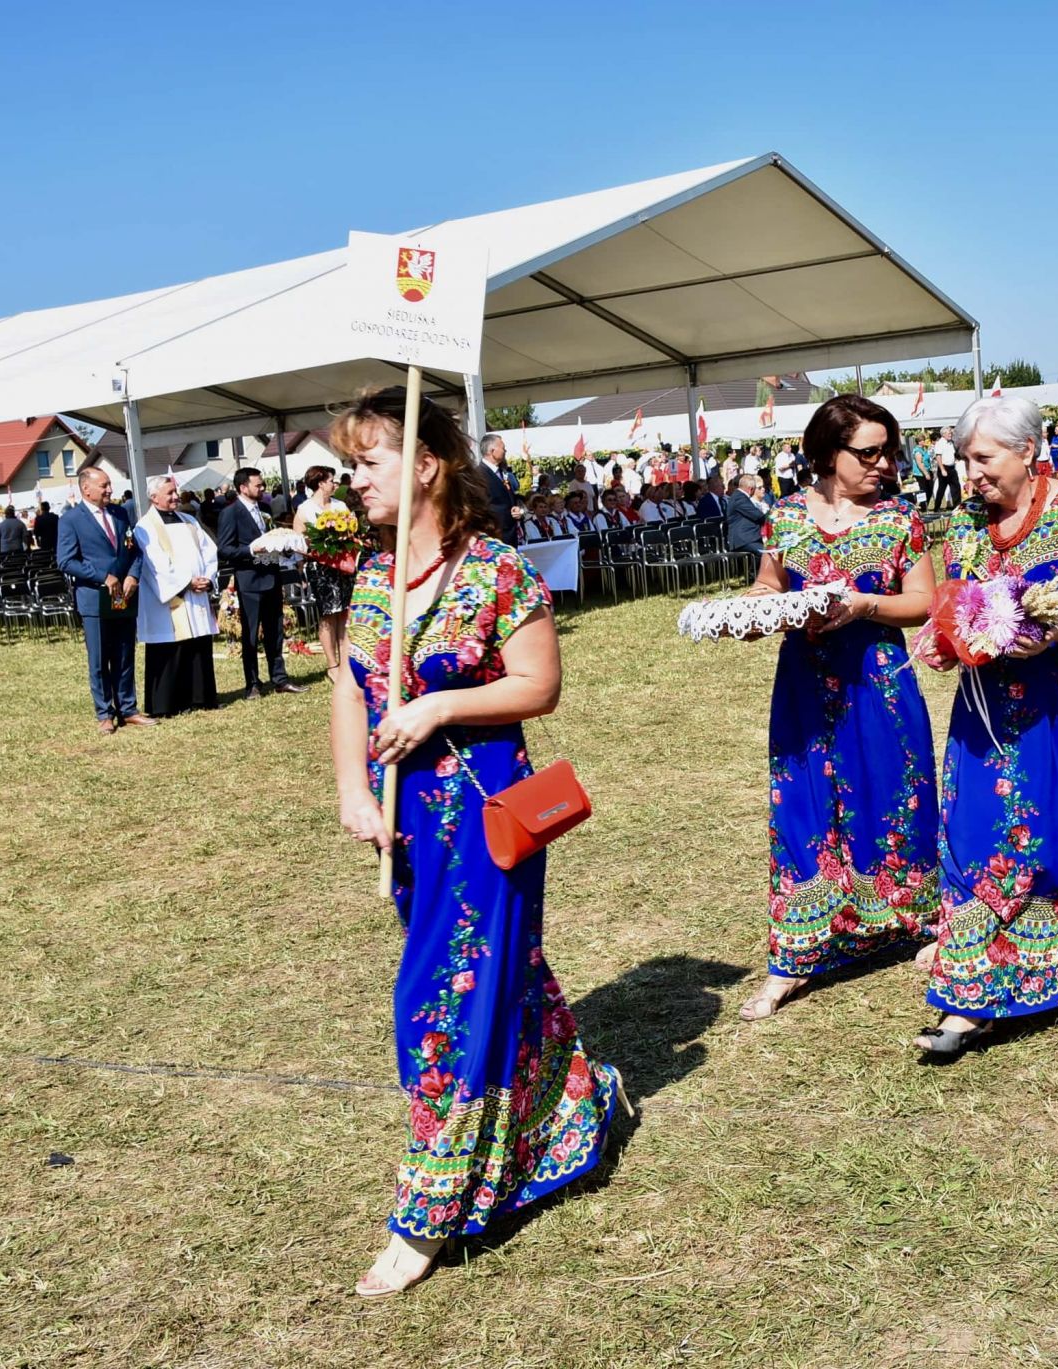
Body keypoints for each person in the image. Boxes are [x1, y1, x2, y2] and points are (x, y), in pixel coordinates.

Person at [326, 386, 625, 1298]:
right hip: (406, 813)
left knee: (439, 993)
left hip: (485, 811)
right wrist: (350, 787)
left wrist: (441, 704)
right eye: (350, 464)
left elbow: (539, 685)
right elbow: (347, 682)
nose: (354, 481)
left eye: (368, 461)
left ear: (426, 467)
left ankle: (430, 1206)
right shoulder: (371, 577)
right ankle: (576, 1108)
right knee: (501, 978)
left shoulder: (500, 572)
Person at [914, 396, 1058, 1056]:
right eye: (965, 459)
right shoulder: (964, 522)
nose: (972, 473)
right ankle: (967, 1001)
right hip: (983, 718)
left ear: (1026, 450)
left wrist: (1056, 633)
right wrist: (945, 637)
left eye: (984, 458)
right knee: (971, 840)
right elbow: (956, 604)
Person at [738, 396, 939, 1021]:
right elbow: (771, 583)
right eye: (869, 452)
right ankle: (794, 956)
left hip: (877, 679)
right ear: (828, 453)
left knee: (894, 796)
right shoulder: (785, 516)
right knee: (800, 799)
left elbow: (924, 604)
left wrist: (863, 605)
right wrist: (756, 605)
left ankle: (918, 920)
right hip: (803, 679)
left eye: (888, 451)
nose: (884, 462)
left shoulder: (900, 519)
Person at [56, 466, 151, 733]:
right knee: (99, 658)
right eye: (104, 485)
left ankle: (128, 709)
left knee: (124, 653)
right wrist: (103, 576)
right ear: (86, 489)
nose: (110, 490)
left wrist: (133, 576)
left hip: (123, 597)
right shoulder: (71, 520)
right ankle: (104, 713)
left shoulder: (120, 514)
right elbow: (65, 561)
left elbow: (135, 551)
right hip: (94, 598)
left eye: (110, 485)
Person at [132, 476, 220, 718]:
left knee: (198, 646)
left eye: (175, 492)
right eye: (170, 493)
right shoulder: (145, 527)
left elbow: (209, 551)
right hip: (171, 597)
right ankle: (166, 704)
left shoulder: (189, 520)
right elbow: (154, 564)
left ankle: (202, 697)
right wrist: (185, 582)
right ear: (154, 497)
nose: (175, 497)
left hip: (197, 593)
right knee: (170, 648)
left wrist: (207, 578)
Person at [218, 467, 299, 700]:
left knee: (275, 630)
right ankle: (252, 682)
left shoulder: (263, 510)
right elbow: (224, 549)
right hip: (249, 581)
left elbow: (269, 539)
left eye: (262, 484)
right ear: (243, 487)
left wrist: (282, 546)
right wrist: (251, 549)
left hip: (272, 576)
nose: (263, 488)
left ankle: (280, 678)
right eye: (258, 485)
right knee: (251, 634)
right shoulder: (230, 513)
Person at [292, 464, 359, 664]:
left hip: (342, 566)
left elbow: (351, 531)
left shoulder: (340, 506)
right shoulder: (305, 509)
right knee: (328, 615)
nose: (334, 484)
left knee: (343, 613)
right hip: (319, 568)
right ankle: (332, 664)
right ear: (321, 483)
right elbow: (298, 542)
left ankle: (345, 660)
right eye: (331, 480)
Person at [475, 433, 516, 539]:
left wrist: (517, 511)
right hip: (495, 536)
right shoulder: (479, 475)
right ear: (492, 451)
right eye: (503, 448)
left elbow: (509, 499)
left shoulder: (502, 473)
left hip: (511, 535)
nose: (505, 451)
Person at [931, 425, 961, 509]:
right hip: (944, 468)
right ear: (943, 434)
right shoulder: (940, 443)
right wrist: (942, 469)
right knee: (941, 489)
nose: (950, 434)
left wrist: (955, 460)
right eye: (949, 433)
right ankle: (936, 507)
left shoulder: (951, 443)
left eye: (951, 433)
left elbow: (953, 454)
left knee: (956, 487)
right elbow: (938, 457)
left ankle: (957, 507)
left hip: (952, 468)